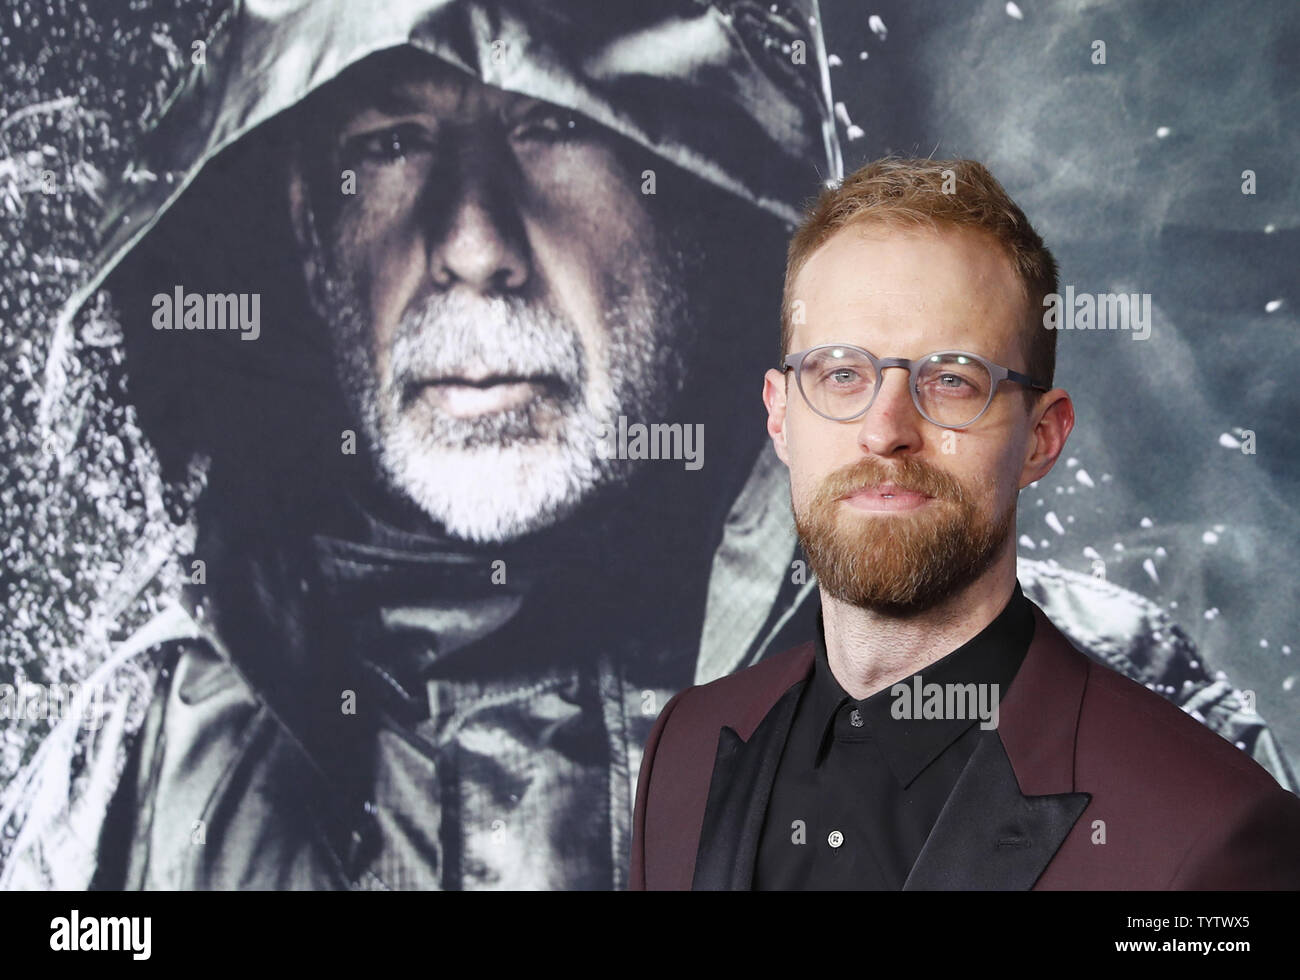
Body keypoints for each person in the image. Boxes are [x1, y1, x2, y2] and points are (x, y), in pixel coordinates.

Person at [1, 1, 1289, 891]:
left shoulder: (1065, 712)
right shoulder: (145, 767)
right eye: (389, 144)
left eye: (551, 130)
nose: (471, 242)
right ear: (297, 235)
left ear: (710, 195)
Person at [629, 157, 1300, 890]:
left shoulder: (1207, 833)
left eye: (950, 380)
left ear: (1042, 438)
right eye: (841, 375)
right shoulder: (682, 753)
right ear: (780, 416)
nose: (885, 431)